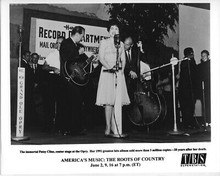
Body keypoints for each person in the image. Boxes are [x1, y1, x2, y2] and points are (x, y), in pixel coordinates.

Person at [96, 21, 130, 138]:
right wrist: (110, 67)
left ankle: (115, 126)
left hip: (118, 74)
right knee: (108, 101)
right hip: (107, 72)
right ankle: (107, 126)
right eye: (112, 28)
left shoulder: (120, 44)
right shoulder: (104, 42)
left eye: (116, 28)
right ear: (108, 30)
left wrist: (121, 71)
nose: (114, 30)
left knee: (117, 101)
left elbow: (123, 59)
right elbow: (101, 57)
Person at [59, 26, 86, 136]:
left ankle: (74, 128)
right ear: (78, 34)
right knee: (68, 104)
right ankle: (67, 128)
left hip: (74, 79)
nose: (82, 38)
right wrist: (78, 53)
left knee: (75, 103)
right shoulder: (66, 43)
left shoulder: (76, 45)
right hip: (67, 78)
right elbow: (67, 58)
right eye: (82, 35)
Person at [123, 36, 150, 131]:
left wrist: (141, 49)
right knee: (125, 104)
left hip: (135, 83)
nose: (125, 46)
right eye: (124, 43)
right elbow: (123, 66)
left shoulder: (135, 53)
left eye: (127, 44)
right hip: (125, 81)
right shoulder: (121, 52)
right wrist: (129, 71)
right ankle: (125, 125)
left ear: (131, 45)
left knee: (133, 103)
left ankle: (134, 123)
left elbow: (144, 59)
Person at [41, 37, 64, 132]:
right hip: (53, 79)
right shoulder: (52, 54)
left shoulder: (67, 54)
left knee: (62, 104)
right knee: (49, 103)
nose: (58, 45)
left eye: (61, 43)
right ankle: (48, 126)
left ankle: (60, 126)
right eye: (57, 43)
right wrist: (54, 69)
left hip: (63, 80)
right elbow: (44, 67)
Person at [177, 47, 198, 129]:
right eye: (191, 53)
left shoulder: (189, 62)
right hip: (185, 89)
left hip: (188, 89)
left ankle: (189, 123)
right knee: (187, 107)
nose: (192, 55)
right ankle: (187, 123)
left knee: (189, 107)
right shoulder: (186, 62)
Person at [197, 50, 210, 127]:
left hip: (210, 88)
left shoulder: (211, 64)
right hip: (203, 88)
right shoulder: (200, 66)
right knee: (204, 105)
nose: (203, 57)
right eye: (202, 56)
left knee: (210, 104)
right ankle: (205, 121)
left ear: (208, 56)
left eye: (204, 55)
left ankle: (210, 120)